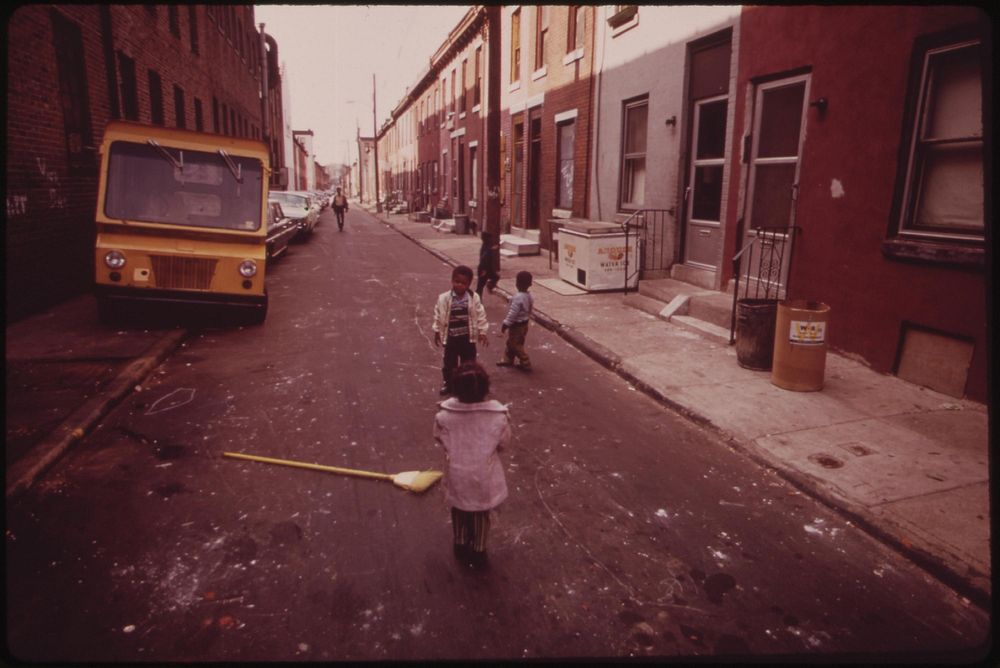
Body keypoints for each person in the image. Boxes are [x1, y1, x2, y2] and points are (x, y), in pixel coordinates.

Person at [433, 360, 510, 567]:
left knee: (459, 509)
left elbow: (438, 437)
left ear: (455, 389)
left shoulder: (443, 416)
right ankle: (478, 550)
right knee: (480, 512)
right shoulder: (499, 417)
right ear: (486, 389)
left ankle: (459, 542)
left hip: (457, 472)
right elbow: (503, 443)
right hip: (483, 474)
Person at [433, 265, 489, 396]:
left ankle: (468, 385)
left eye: (464, 283)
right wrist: (436, 330)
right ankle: (449, 383)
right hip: (451, 338)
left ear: (469, 284)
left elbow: (481, 314)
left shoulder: (473, 297)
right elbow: (438, 314)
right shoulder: (444, 298)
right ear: (452, 281)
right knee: (449, 364)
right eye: (457, 282)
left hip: (467, 339)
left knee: (468, 363)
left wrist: (482, 332)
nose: (460, 285)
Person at [496, 271, 534, 371]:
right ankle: (508, 358)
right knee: (512, 343)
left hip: (516, 325)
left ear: (517, 283)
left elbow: (513, 313)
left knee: (515, 344)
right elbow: (529, 309)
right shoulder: (529, 296)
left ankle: (525, 361)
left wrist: (506, 323)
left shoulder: (518, 297)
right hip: (524, 324)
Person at [476, 232, 500, 297]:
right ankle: (477, 301)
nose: (491, 239)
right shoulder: (485, 247)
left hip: (488, 269)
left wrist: (492, 248)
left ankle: (490, 285)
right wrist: (483, 270)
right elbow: (484, 259)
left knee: (496, 277)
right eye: (490, 238)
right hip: (484, 269)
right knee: (480, 287)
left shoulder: (486, 246)